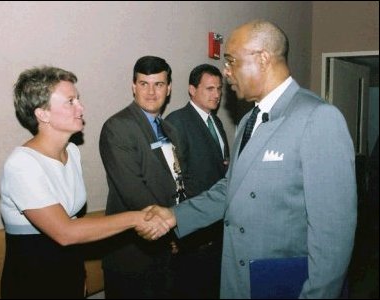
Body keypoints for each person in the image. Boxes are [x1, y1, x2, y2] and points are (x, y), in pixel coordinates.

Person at [140, 20, 357, 298]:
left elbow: (333, 238)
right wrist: (175, 215)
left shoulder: (317, 118)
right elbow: (231, 189)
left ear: (263, 58)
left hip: (286, 285)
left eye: (231, 61)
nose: (226, 72)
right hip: (240, 279)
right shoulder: (247, 121)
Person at [0, 66, 169, 299]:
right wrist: (138, 218)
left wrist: (79, 277)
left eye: (78, 99)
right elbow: (65, 232)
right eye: (70, 101)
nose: (81, 108)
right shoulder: (22, 164)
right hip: (33, 283)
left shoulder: (71, 152)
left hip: (69, 276)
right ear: (42, 114)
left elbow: (75, 223)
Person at [99, 56, 185, 299]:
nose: (150, 91)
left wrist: (181, 227)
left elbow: (178, 183)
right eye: (144, 83)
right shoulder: (118, 127)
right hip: (132, 255)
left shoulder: (170, 130)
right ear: (133, 86)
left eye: (158, 84)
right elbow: (134, 191)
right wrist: (173, 228)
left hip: (167, 252)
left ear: (168, 89)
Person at [165, 63, 229, 299]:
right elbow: (173, 178)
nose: (216, 95)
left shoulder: (216, 122)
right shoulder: (177, 121)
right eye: (209, 89)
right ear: (192, 90)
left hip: (216, 226)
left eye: (219, 89)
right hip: (192, 229)